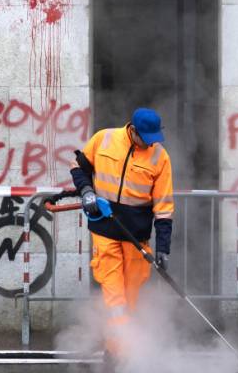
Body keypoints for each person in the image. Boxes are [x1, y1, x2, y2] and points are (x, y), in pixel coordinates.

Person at [69, 107, 174, 363]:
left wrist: (163, 247)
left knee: (131, 296)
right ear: (133, 131)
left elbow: (164, 206)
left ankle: (123, 344)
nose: (151, 143)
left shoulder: (160, 157)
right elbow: (78, 166)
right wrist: (86, 192)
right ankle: (118, 353)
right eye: (146, 138)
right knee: (114, 296)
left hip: (136, 237)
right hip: (104, 231)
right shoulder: (104, 139)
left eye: (154, 138)